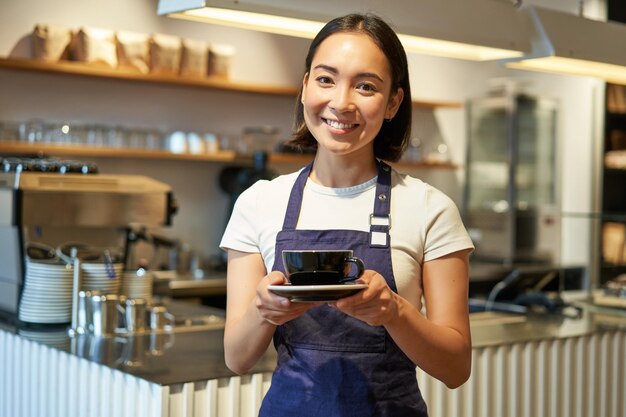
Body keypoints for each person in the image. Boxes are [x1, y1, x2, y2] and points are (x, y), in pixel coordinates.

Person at [219, 12, 474, 417]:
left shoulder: (431, 208)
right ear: (304, 87)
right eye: (325, 79)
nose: (341, 102)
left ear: (393, 103)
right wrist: (264, 310)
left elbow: (456, 367)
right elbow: (237, 357)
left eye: (366, 86)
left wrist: (394, 311)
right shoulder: (258, 202)